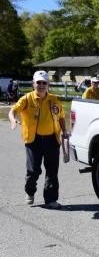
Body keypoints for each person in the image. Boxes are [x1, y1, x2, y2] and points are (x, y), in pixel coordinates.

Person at [8, 70, 68, 209]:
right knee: (33, 171)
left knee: (52, 171)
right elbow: (13, 111)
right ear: (33, 83)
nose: (41, 85)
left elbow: (61, 117)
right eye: (38, 82)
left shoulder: (54, 100)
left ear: (48, 84)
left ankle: (51, 199)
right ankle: (30, 192)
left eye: (44, 83)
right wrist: (12, 120)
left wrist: (64, 132)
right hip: (33, 140)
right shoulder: (27, 99)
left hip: (52, 140)